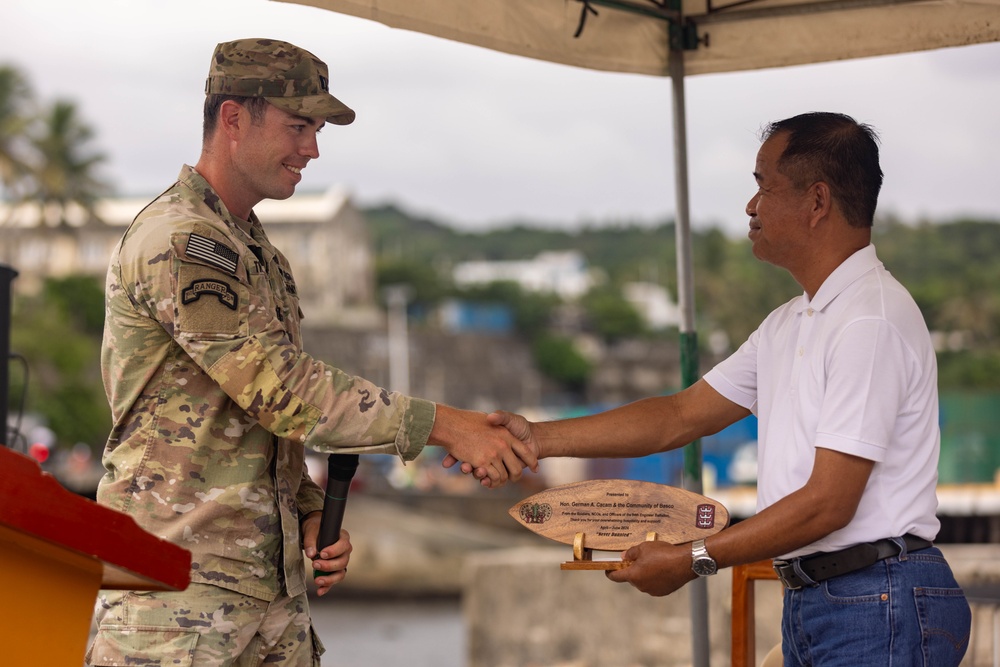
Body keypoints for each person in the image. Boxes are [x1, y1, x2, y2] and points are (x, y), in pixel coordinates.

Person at [87, 38, 535, 667]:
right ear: (234, 118)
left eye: (317, 129)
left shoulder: (254, 251)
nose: (313, 149)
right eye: (299, 126)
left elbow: (245, 417)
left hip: (263, 600)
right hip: (173, 599)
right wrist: (445, 426)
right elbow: (281, 389)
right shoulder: (185, 240)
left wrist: (305, 507)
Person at [475, 112, 972, 665]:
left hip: (877, 600)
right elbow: (679, 415)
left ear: (817, 202)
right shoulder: (791, 321)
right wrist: (535, 438)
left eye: (763, 185)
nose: (750, 206)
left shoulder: (868, 321)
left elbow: (829, 503)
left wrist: (693, 559)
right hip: (830, 599)